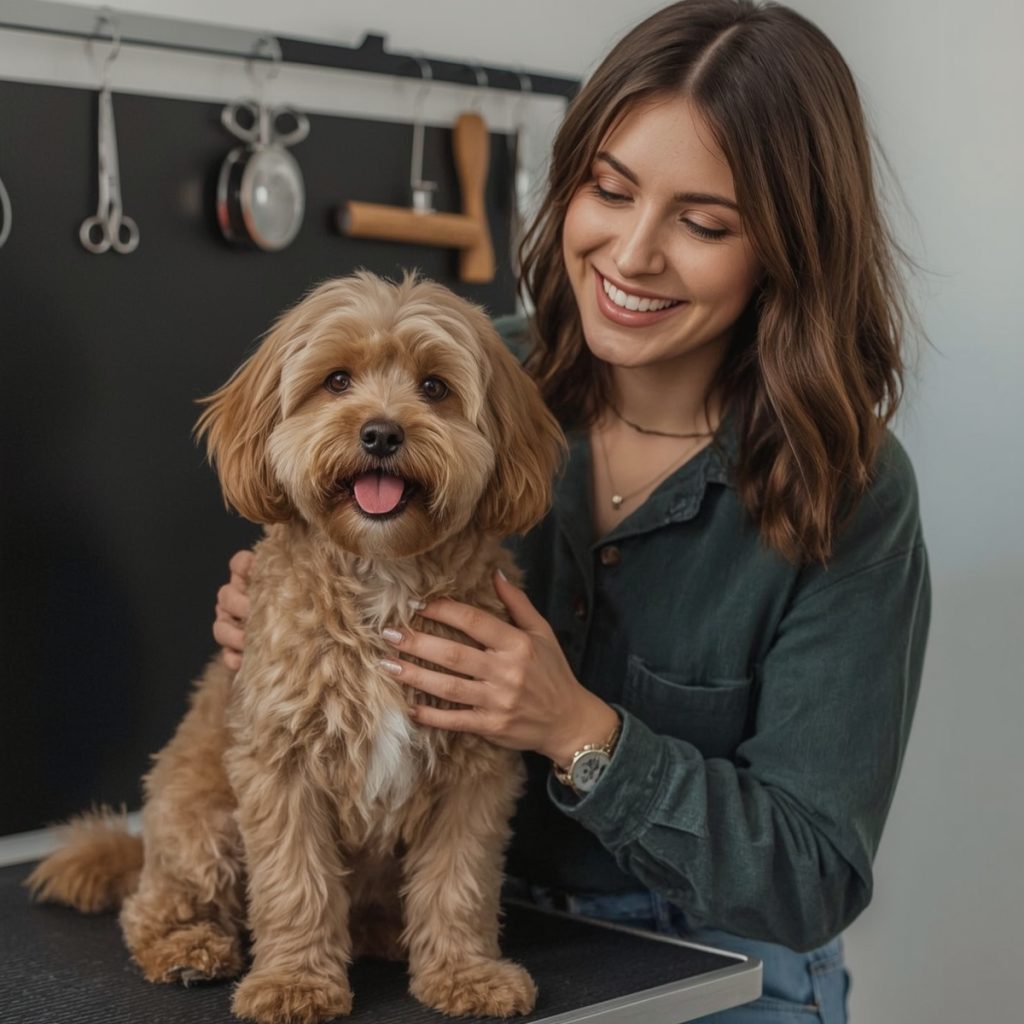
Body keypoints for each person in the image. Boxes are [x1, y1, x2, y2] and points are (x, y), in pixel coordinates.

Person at [213, 2, 930, 1020]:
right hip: (435, 936)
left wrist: (575, 728)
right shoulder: (462, 371)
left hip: (717, 959)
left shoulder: (846, 488)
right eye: (610, 189)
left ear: (787, 246)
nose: (632, 254)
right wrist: (272, 613)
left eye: (703, 222)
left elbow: (811, 875)